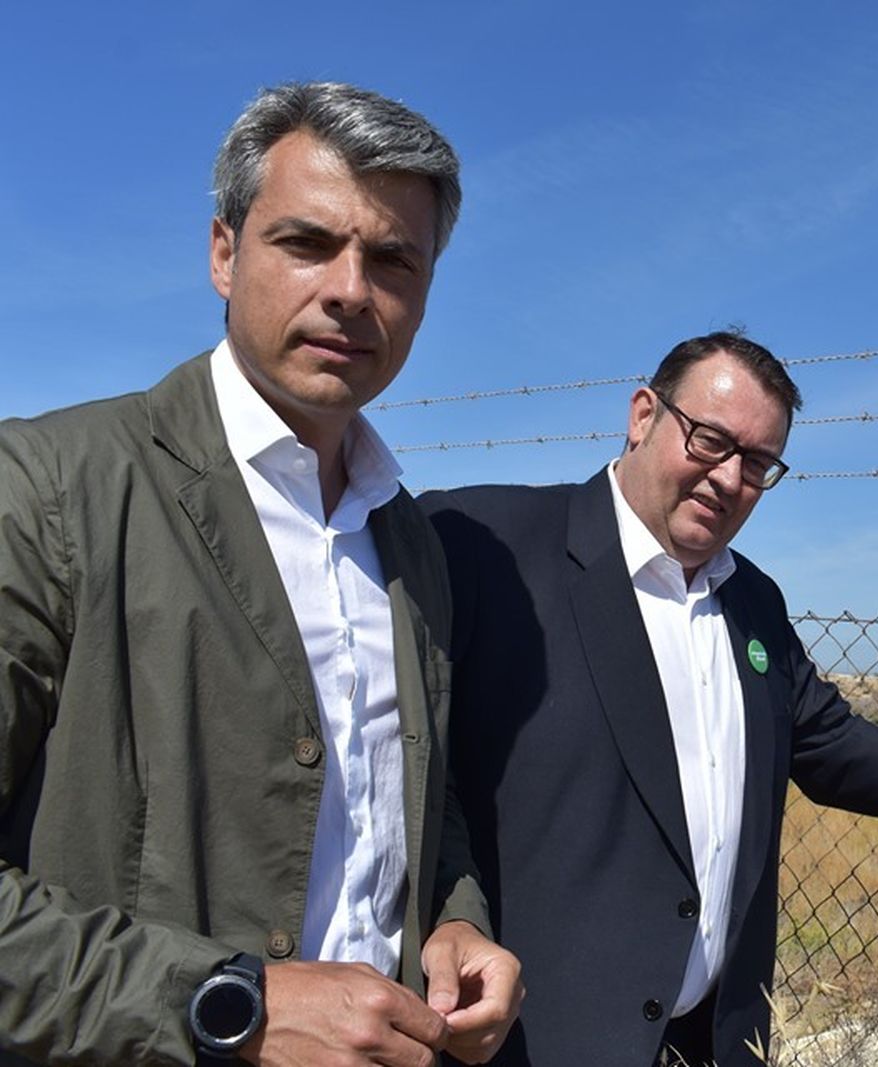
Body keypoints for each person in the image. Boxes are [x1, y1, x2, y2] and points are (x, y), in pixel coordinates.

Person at [0, 82, 521, 1066]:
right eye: (307, 242)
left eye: (394, 260)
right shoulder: (46, 491)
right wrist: (225, 1003)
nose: (351, 290)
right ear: (224, 252)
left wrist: (455, 918)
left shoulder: (408, 544)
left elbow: (413, 802)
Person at [422, 331, 878, 1067]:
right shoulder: (483, 545)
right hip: (525, 1042)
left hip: (711, 1042)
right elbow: (404, 766)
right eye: (711, 440)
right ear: (642, 415)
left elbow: (828, 742)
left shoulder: (753, 599)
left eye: (757, 463)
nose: (729, 478)